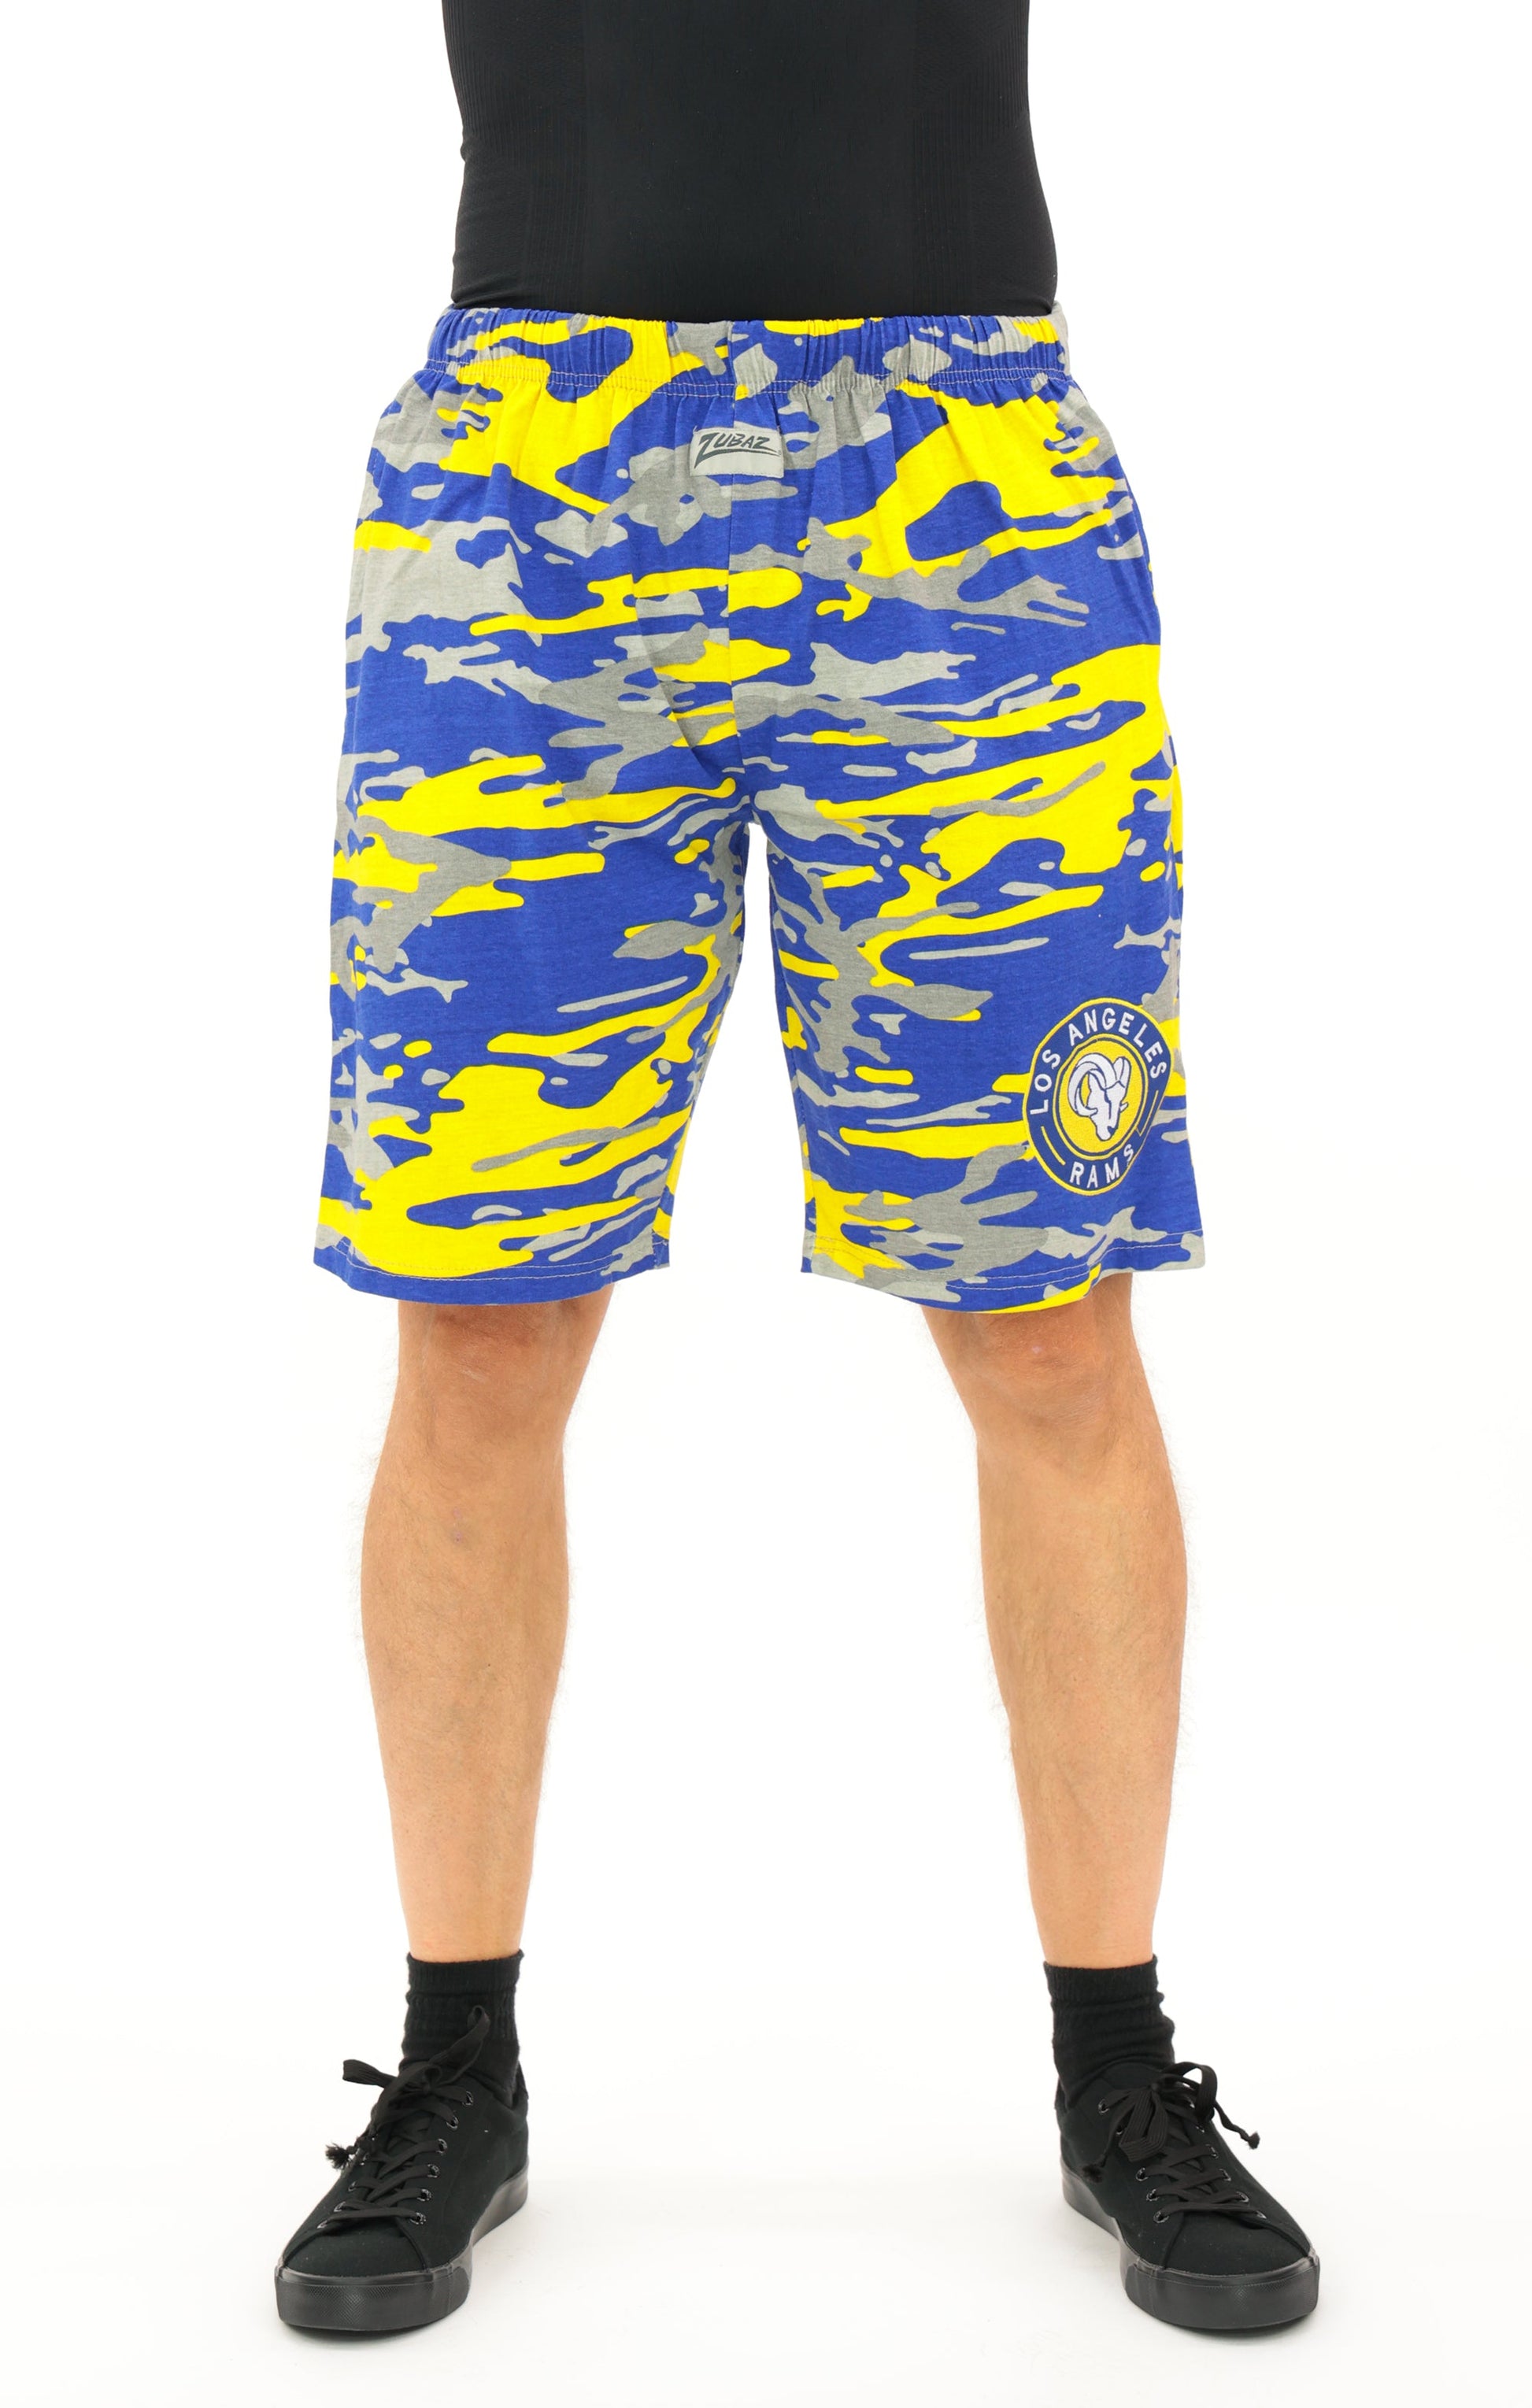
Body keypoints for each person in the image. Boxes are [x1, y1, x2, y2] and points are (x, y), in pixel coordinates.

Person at [275, 0, 1318, 2339]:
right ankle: (453, 2068)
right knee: (481, 1318)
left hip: (961, 479)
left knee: (1045, 1323)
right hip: (532, 491)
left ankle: (1118, 2068)